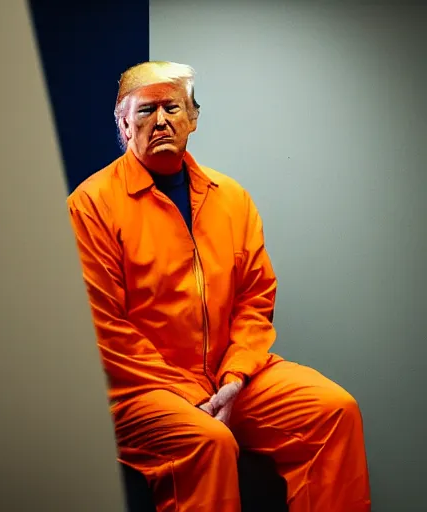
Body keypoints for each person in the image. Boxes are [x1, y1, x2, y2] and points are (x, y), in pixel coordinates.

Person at [66, 61, 371, 512]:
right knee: (207, 441)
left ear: (193, 117)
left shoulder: (231, 199)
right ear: (123, 124)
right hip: (140, 392)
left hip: (229, 381)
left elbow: (255, 300)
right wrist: (192, 396)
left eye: (172, 107)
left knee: (333, 411)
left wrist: (232, 380)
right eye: (146, 111)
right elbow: (102, 328)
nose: (162, 121)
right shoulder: (90, 206)